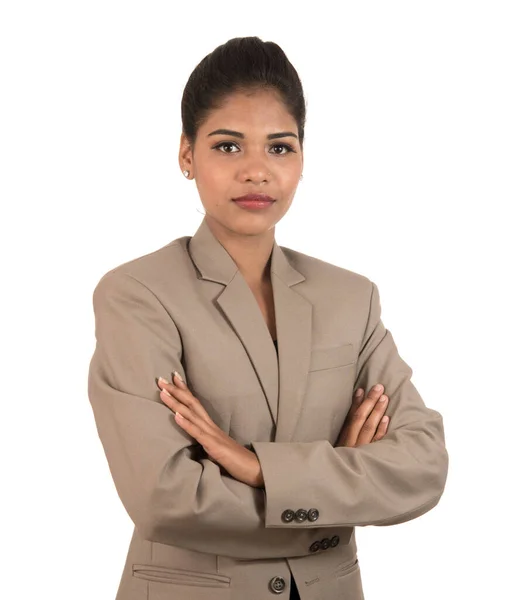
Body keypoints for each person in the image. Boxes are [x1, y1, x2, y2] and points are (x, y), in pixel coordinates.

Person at [87, 36, 449, 600]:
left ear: (303, 159)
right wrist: (333, 494)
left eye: (279, 148)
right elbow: (165, 498)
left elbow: (423, 467)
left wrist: (257, 470)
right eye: (228, 147)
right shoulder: (137, 295)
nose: (257, 171)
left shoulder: (351, 298)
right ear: (187, 155)